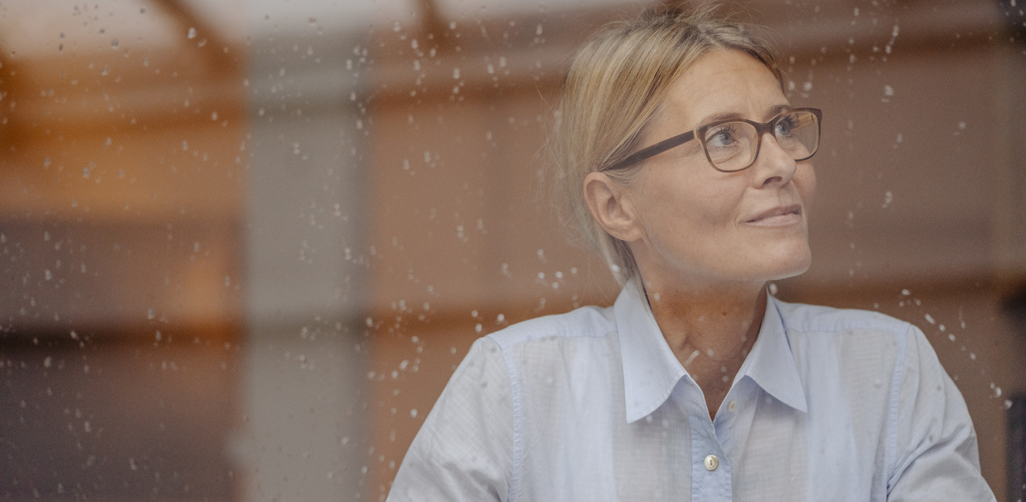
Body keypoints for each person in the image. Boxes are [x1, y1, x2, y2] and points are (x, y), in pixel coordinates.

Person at [387, 5, 996, 501]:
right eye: (724, 137)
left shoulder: (890, 374)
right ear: (616, 207)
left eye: (783, 127)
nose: (782, 165)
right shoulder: (513, 389)